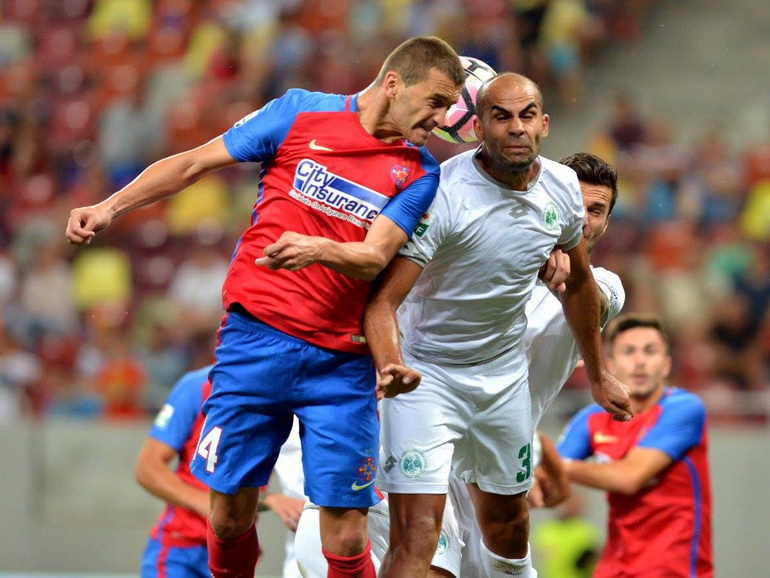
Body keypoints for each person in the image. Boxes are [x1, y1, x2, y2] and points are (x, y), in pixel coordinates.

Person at [67, 35, 465, 578]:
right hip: (255, 344)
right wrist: (109, 206)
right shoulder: (299, 113)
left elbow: (374, 257)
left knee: (347, 528)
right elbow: (192, 164)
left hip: (340, 363)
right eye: (437, 101)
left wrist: (318, 248)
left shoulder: (419, 171)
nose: (444, 118)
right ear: (393, 83)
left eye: (449, 107)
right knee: (229, 516)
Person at [364, 72, 632, 578]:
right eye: (501, 116)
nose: (588, 220)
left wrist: (598, 376)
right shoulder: (445, 196)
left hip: (499, 415)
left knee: (510, 537)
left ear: (544, 125)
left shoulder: (603, 281)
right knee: (423, 548)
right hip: (431, 388)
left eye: (599, 211)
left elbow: (586, 296)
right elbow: (387, 296)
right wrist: (390, 363)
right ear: (478, 127)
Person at [557, 313, 713, 577]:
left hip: (674, 569)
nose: (640, 361)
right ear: (609, 365)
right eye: (629, 351)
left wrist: (554, 464)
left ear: (666, 366)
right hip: (613, 567)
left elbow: (628, 478)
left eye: (650, 351)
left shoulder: (684, 408)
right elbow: (541, 480)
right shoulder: (591, 419)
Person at [135, 366, 305, 577]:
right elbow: (147, 468)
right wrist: (217, 509)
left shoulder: (286, 390)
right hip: (181, 547)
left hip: (230, 548)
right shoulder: (198, 385)